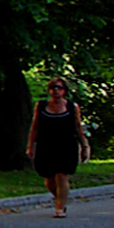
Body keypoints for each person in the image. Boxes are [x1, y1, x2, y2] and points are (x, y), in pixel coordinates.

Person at [27, 77, 84, 217]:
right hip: (46, 144)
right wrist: (30, 146)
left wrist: (85, 145)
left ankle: (60, 207)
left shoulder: (72, 107)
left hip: (67, 145)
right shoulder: (41, 106)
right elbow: (35, 127)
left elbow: (78, 127)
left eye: (59, 87)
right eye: (53, 88)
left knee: (62, 174)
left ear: (64, 91)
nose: (56, 90)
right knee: (49, 177)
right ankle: (59, 198)